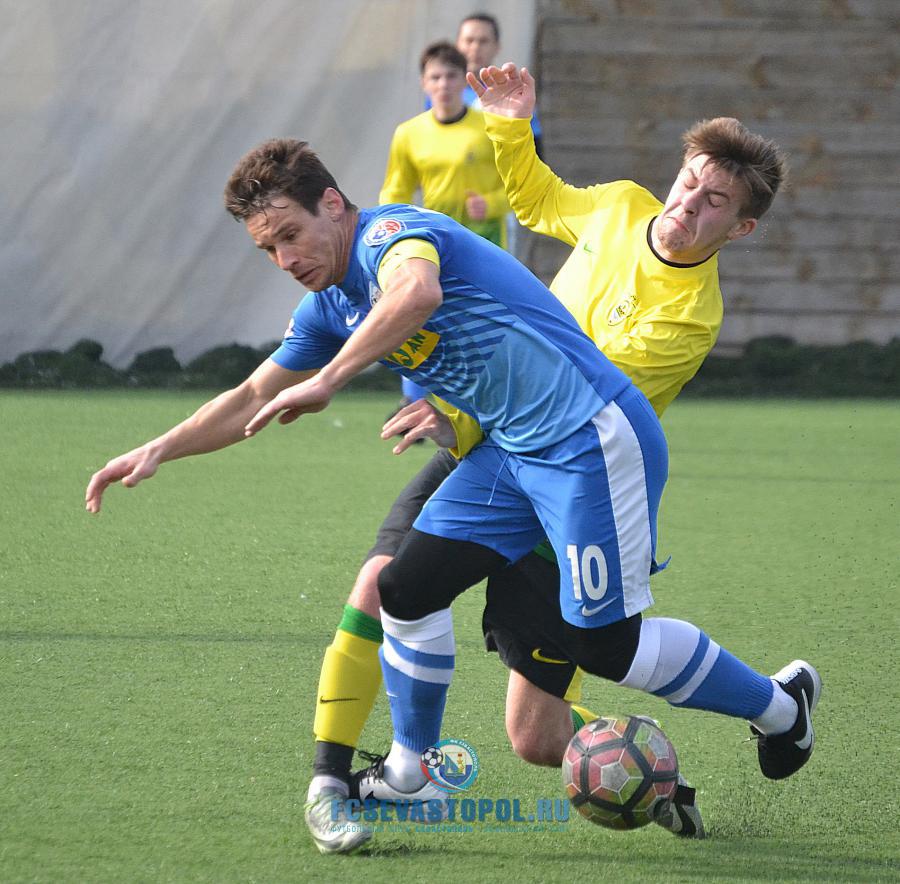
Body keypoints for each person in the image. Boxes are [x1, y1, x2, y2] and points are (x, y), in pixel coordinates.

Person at [226, 142, 820, 846]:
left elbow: (573, 377)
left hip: (569, 462)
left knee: (547, 721)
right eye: (688, 182)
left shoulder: (690, 316)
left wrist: (450, 408)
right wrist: (511, 126)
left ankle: (768, 710)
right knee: (392, 584)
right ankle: (375, 775)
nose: (686, 204)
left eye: (713, 201)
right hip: (490, 447)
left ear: (740, 227)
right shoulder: (621, 204)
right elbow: (537, 199)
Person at [382, 40, 508, 408]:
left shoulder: (489, 127)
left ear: (463, 81)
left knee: (477, 323)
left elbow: (518, 183)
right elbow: (396, 190)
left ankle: (478, 405)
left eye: (451, 76)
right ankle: (413, 402)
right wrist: (392, 231)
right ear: (424, 83)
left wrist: (492, 203)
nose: (443, 84)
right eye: (435, 77)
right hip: (432, 240)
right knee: (417, 314)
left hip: (484, 239)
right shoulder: (409, 133)